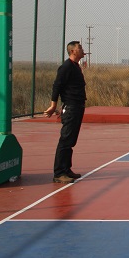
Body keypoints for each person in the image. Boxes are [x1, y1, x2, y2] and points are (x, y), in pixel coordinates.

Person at [43, 41, 87, 184]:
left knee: (71, 140)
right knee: (66, 139)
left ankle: (66, 169)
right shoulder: (66, 67)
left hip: (78, 106)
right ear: (73, 51)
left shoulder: (76, 66)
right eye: (80, 48)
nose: (82, 49)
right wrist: (53, 105)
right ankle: (59, 173)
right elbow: (57, 85)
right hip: (71, 107)